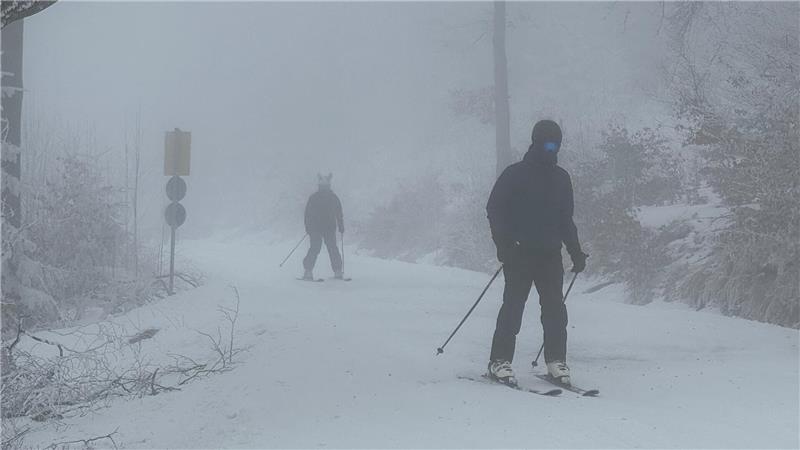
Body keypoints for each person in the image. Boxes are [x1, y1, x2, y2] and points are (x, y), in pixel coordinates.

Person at [485, 119, 588, 386]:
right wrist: (504, 246)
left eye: (556, 145)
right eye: (548, 144)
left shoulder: (561, 178)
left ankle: (556, 361)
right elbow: (495, 209)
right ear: (536, 142)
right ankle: (499, 360)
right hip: (519, 254)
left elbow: (566, 219)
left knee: (555, 309)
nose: (552, 150)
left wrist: (576, 252)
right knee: (513, 307)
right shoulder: (515, 174)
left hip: (550, 255)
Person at [302, 173, 345, 280]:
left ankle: (308, 271)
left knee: (317, 248)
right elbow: (339, 213)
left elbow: (307, 214)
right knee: (330, 248)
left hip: (320, 228)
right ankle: (337, 271)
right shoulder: (332, 198)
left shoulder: (315, 198)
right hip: (325, 228)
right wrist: (340, 226)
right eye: (323, 187)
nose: (324, 189)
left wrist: (308, 227)